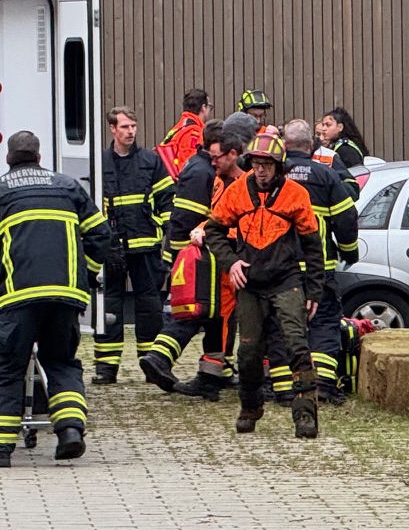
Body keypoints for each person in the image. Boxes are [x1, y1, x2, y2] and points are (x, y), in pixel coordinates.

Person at [0, 130, 112, 468]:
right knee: (61, 362)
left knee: (7, 367)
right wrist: (85, 276)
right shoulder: (69, 187)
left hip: (18, 298)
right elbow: (101, 237)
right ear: (39, 156)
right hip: (66, 296)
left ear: (8, 158)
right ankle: (71, 432)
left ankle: (0, 451)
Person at [204, 129, 324, 438]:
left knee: (297, 344)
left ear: (279, 166)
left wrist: (314, 290)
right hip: (251, 284)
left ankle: (305, 415)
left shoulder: (296, 195)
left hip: (286, 280)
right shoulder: (236, 192)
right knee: (249, 352)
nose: (261, 169)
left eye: (267, 164)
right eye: (256, 163)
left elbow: (313, 246)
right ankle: (250, 407)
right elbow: (214, 231)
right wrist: (231, 263)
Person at [139, 122, 237, 399]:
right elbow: (190, 218)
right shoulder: (205, 173)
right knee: (199, 314)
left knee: (210, 316)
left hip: (206, 255)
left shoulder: (209, 171)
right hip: (203, 257)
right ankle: (163, 359)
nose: (216, 161)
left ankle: (213, 373)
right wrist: (185, 249)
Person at [279, 119, 360, 404]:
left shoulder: (271, 175)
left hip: (280, 269)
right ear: (311, 146)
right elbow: (346, 218)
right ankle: (323, 385)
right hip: (319, 268)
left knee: (280, 326)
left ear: (284, 146)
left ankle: (279, 386)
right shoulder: (324, 175)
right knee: (323, 323)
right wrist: (349, 251)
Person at [93, 106, 173, 384]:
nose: (130, 132)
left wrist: (166, 237)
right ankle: (106, 368)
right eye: (124, 127)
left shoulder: (150, 161)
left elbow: (167, 201)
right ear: (112, 129)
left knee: (149, 306)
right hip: (110, 250)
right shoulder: (99, 162)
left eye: (133, 126)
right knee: (109, 307)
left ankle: (151, 365)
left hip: (146, 247)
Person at [156, 89, 210, 176]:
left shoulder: (181, 126)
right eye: (209, 107)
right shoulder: (193, 132)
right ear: (203, 108)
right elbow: (188, 164)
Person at [317, 108, 370, 179]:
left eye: (328, 125)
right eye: (323, 125)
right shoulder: (337, 146)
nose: (324, 129)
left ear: (340, 127)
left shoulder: (346, 150)